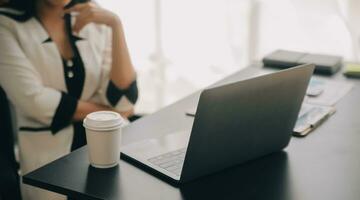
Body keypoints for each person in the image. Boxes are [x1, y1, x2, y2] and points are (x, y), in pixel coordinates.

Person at [0, 0, 138, 199]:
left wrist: (116, 25)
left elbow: (125, 102)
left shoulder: (96, 18)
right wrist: (113, 116)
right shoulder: (6, 24)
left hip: (110, 154)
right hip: (51, 166)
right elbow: (35, 103)